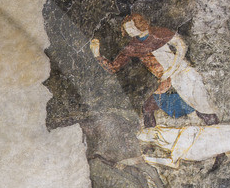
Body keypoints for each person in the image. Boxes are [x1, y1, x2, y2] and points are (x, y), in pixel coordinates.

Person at [91, 13, 220, 127]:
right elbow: (114, 67)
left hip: (183, 74)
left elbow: (181, 45)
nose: (128, 31)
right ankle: (151, 143)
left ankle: (220, 142)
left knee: (202, 107)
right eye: (126, 29)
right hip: (167, 81)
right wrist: (97, 54)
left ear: (139, 24)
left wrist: (172, 68)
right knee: (147, 108)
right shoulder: (133, 46)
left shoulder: (158, 33)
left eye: (131, 27)